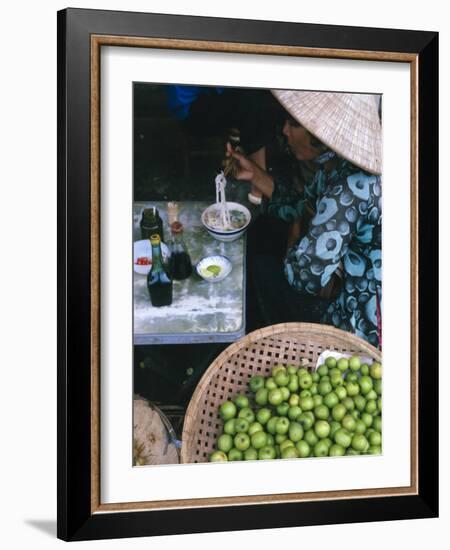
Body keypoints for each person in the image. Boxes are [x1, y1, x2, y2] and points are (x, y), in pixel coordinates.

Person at [227, 91, 382, 348]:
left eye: (294, 124)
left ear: (321, 135)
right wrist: (254, 174)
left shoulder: (349, 188)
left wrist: (295, 236)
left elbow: (306, 278)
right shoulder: (335, 165)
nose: (285, 131)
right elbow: (299, 205)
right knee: (263, 239)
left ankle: (283, 347)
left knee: (260, 269)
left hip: (358, 316)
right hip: (339, 276)